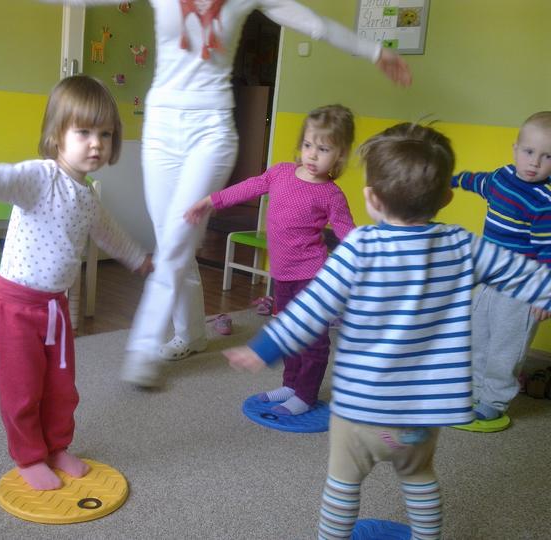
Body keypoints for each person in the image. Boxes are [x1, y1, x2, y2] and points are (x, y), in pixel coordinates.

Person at [48, 0, 412, 388]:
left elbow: (315, 24)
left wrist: (375, 51)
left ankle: (142, 347)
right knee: (172, 241)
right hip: (161, 128)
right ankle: (191, 333)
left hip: (212, 129)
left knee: (177, 239)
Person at [223, 122, 551, 539]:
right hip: (421, 413)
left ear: (372, 199)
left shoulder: (359, 246)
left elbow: (311, 307)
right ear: (447, 198)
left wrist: (264, 348)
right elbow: (528, 276)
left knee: (343, 483)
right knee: (420, 478)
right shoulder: (462, 244)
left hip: (361, 408)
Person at [0, 75, 153, 491]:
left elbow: (110, 233)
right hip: (14, 307)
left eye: (106, 134)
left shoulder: (88, 197)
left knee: (61, 389)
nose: (96, 143)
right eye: (83, 132)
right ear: (57, 135)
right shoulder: (40, 177)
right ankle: (28, 457)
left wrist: (138, 259)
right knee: (22, 391)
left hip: (55, 309)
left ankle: (57, 447)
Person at [185, 104, 356, 415]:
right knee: (287, 331)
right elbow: (249, 187)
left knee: (312, 340)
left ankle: (305, 394)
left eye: (323, 149)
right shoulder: (280, 173)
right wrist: (212, 201)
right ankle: (291, 384)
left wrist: (369, 264)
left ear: (339, 156)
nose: (312, 155)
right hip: (282, 275)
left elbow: (349, 235)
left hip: (312, 276)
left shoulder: (331, 194)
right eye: (308, 145)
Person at [451, 111, 551, 424]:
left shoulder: (544, 200)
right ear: (515, 149)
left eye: (547, 157)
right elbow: (476, 181)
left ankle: (494, 399)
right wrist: (450, 179)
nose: (535, 163)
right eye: (529, 152)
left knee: (506, 347)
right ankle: (474, 390)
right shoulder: (501, 178)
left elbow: (548, 252)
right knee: (478, 336)